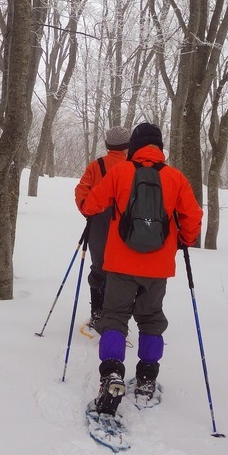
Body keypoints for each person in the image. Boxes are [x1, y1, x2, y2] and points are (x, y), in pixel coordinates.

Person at [80, 122, 202, 415]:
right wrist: (184, 239)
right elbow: (193, 217)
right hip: (158, 266)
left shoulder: (120, 172)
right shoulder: (175, 178)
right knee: (150, 320)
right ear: (159, 147)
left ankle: (111, 374)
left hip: (120, 263)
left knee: (114, 318)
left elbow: (91, 205)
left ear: (134, 146)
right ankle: (146, 378)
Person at [74, 126, 131, 328]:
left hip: (99, 223)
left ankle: (98, 313)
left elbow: (82, 192)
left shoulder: (96, 165)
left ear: (108, 145)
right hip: (128, 227)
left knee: (99, 269)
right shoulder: (134, 166)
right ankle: (117, 318)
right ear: (128, 145)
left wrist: (87, 210)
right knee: (123, 272)